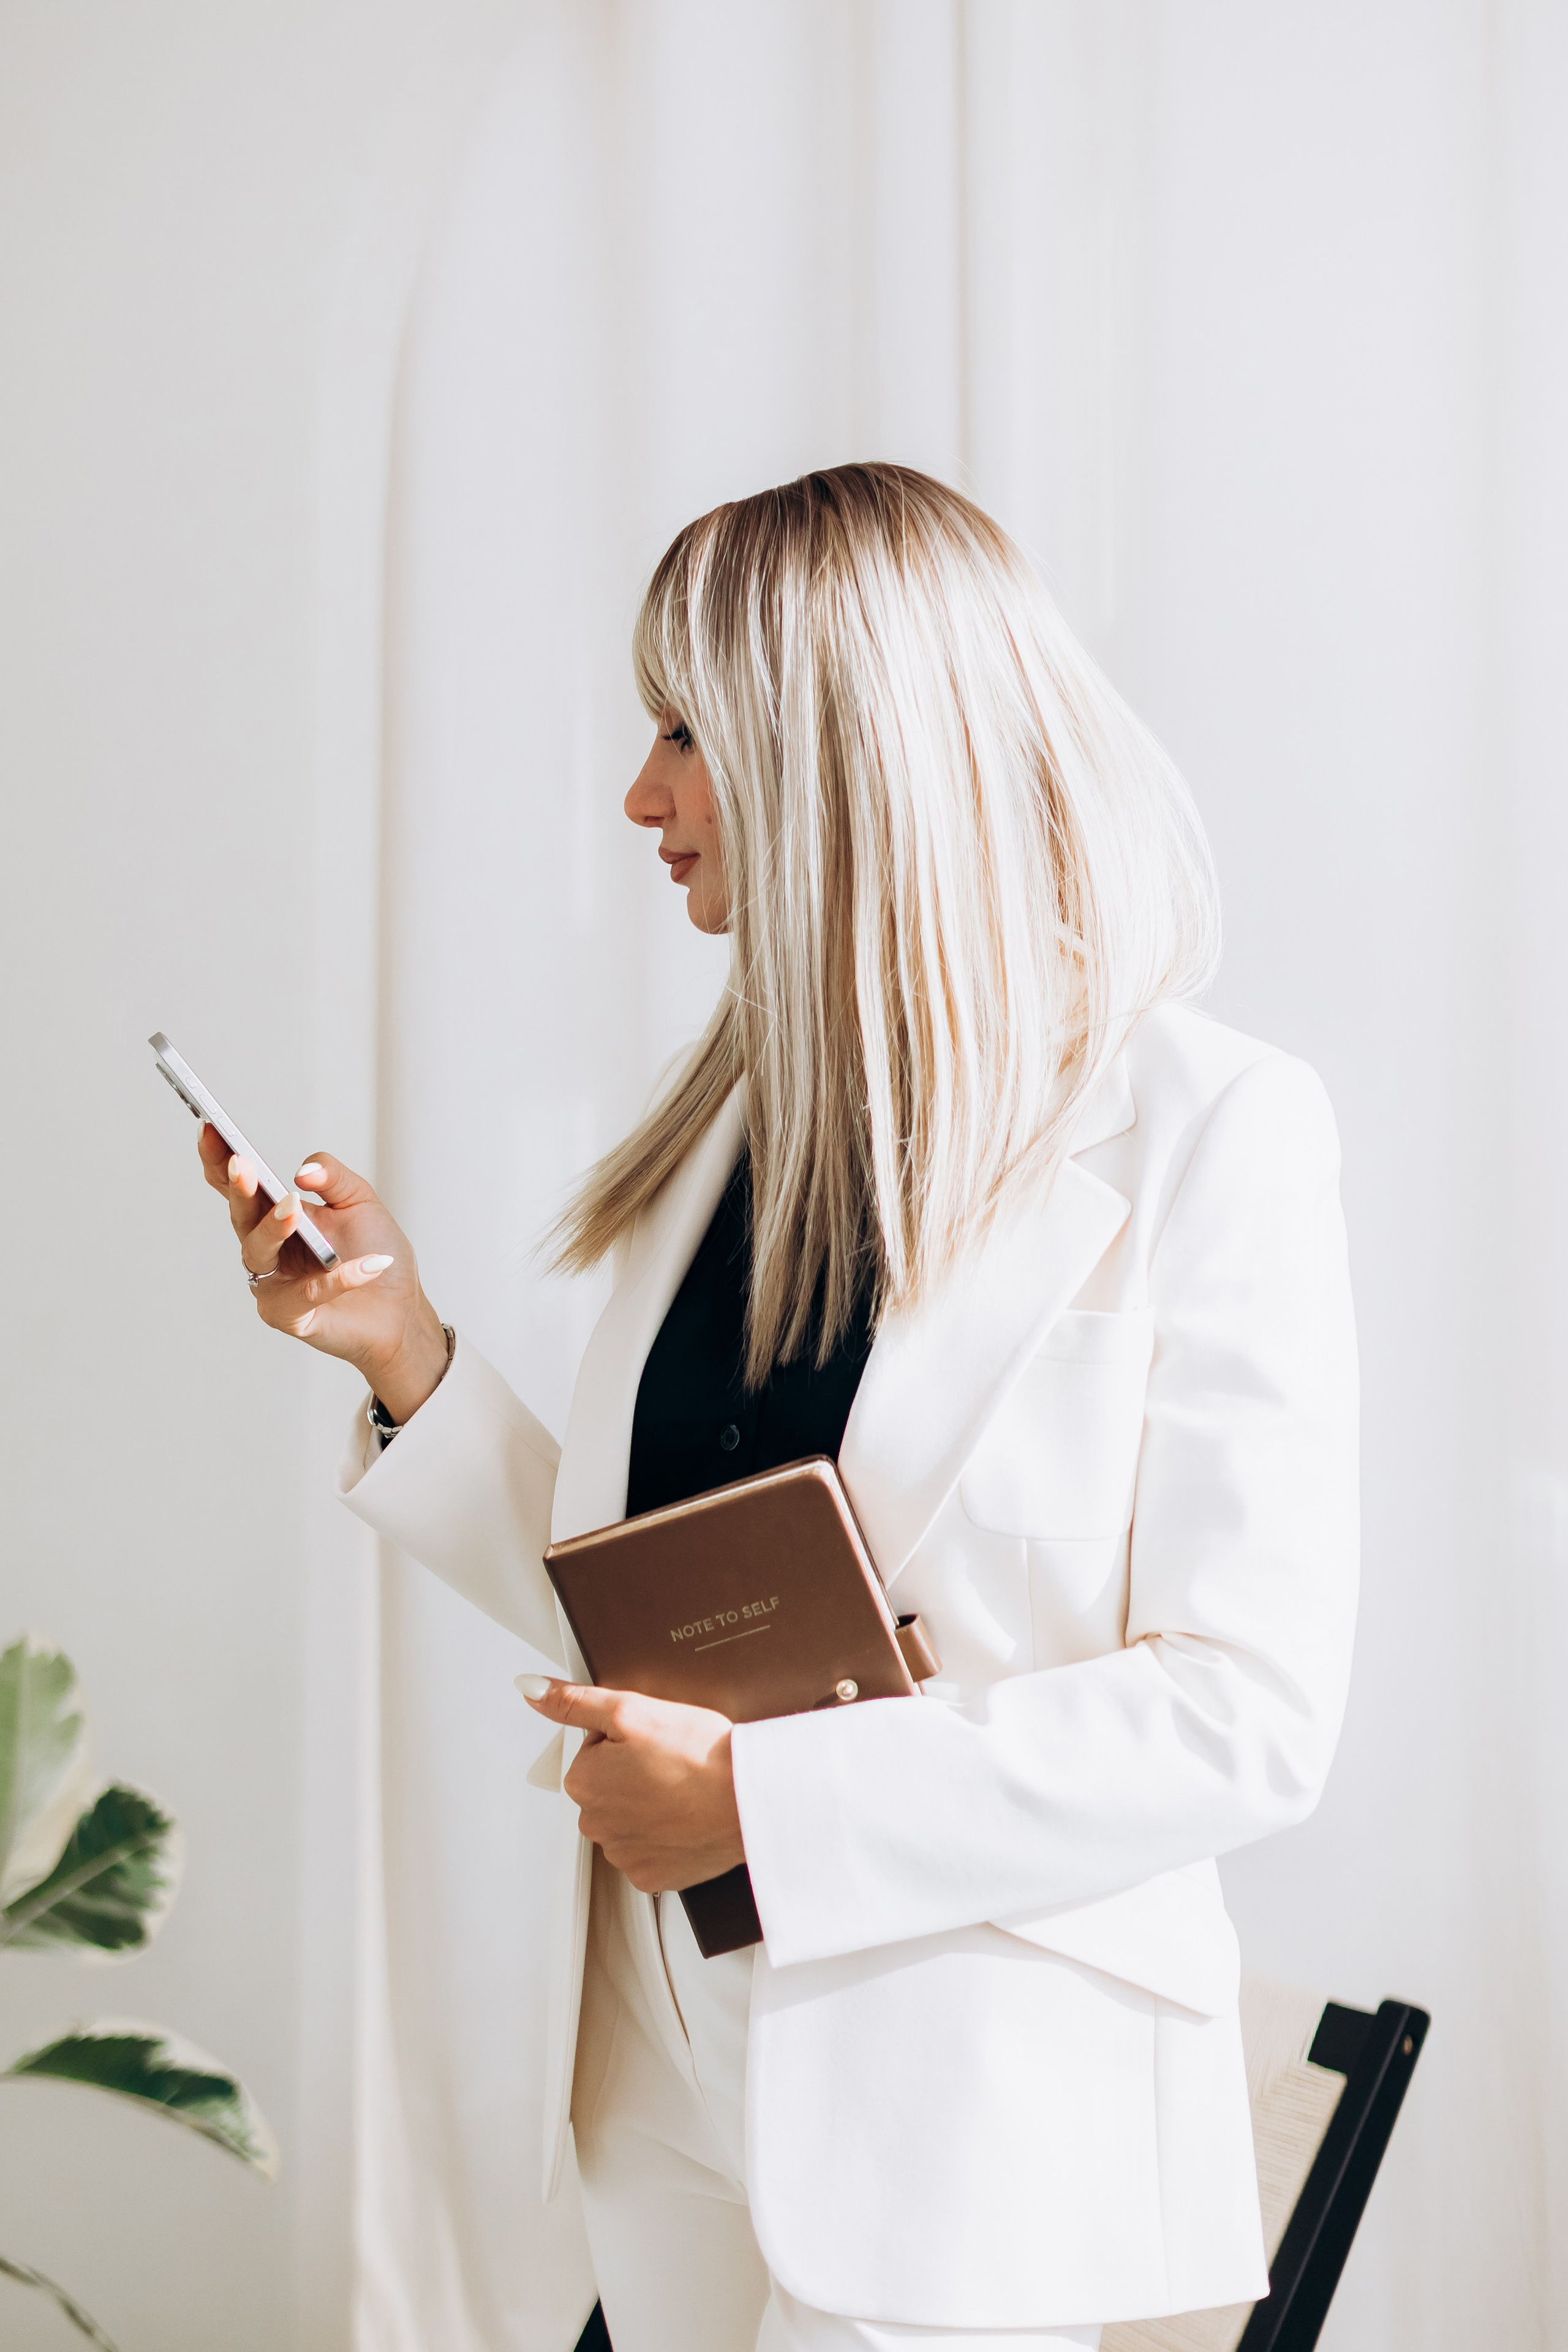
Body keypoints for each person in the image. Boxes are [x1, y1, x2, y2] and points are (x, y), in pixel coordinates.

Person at [197, 465, 1359, 2352]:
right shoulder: (733, 1125)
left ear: (844, 745)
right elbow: (662, 1599)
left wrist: (761, 1798)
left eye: (683, 731)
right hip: (664, 2046)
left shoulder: (1209, 1130)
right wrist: (403, 1355)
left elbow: (1249, 1718)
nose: (639, 797)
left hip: (967, 2093)